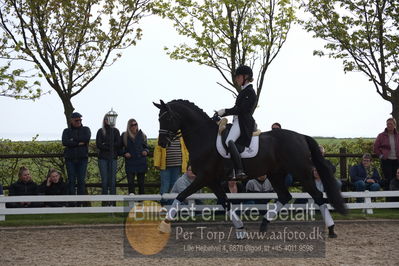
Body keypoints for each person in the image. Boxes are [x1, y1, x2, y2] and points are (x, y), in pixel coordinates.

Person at [216, 65, 257, 180]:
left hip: (243, 122)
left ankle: (239, 170)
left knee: (229, 141)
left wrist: (224, 111)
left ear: (246, 77)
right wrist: (222, 114)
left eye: (238, 76)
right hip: (237, 120)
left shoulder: (250, 91)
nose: (236, 79)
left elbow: (242, 110)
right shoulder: (244, 91)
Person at [62, 112, 91, 197]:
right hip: (70, 159)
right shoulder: (66, 131)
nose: (79, 121)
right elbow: (65, 142)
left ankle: (80, 202)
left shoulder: (86, 129)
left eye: (80, 120)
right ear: (71, 120)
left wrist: (72, 141)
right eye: (76, 120)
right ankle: (72, 202)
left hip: (82, 158)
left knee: (81, 180)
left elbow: (86, 138)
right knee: (71, 180)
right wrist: (78, 143)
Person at [154, 135, 189, 204]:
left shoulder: (180, 136)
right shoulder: (163, 135)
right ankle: (163, 204)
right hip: (165, 166)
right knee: (165, 186)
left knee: (175, 187)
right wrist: (157, 163)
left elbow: (185, 149)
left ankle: (172, 204)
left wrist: (186, 161)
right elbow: (157, 150)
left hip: (178, 165)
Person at [96, 113, 121, 202]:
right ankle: (105, 203)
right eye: (106, 119)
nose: (108, 120)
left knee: (112, 182)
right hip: (102, 158)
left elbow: (118, 144)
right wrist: (110, 146)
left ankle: (113, 203)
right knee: (105, 181)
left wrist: (106, 144)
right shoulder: (100, 131)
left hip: (113, 158)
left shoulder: (116, 131)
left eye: (109, 119)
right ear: (104, 120)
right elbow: (99, 144)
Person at [120, 119, 149, 195]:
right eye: (132, 125)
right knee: (130, 184)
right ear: (129, 126)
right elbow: (119, 148)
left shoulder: (142, 135)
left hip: (141, 161)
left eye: (135, 124)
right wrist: (125, 153)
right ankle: (131, 205)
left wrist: (146, 151)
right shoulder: (124, 135)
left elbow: (146, 147)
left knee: (141, 184)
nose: (134, 126)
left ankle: (141, 204)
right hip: (130, 162)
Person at [374, 117, 399, 190]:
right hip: (386, 160)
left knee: (396, 179)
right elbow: (375, 147)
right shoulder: (381, 135)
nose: (389, 125)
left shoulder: (398, 135)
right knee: (388, 179)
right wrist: (381, 156)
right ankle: (388, 198)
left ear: (395, 125)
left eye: (391, 124)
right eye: (387, 124)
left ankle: (396, 198)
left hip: (397, 160)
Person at [312, 167, 337, 238]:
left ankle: (331, 228)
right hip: (312, 200)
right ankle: (331, 228)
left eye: (317, 171)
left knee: (324, 203)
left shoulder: (326, 181)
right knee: (321, 203)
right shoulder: (310, 181)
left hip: (322, 201)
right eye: (314, 171)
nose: (316, 172)